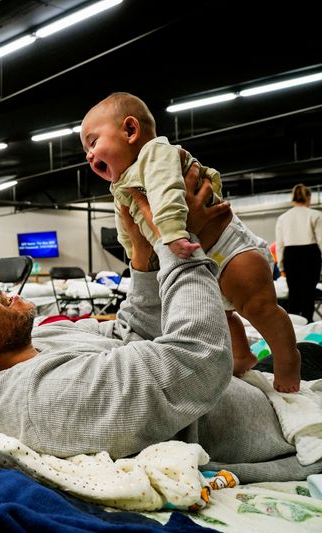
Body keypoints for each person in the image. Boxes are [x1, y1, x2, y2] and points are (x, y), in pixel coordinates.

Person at [0, 173, 322, 483]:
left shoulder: (42, 337)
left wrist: (143, 252)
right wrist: (180, 239)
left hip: (273, 390)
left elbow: (135, 337)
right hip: (283, 426)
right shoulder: (38, 400)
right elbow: (196, 361)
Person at [80, 92, 300, 392]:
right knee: (216, 317)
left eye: (93, 142)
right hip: (199, 260)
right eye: (86, 150)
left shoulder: (155, 154)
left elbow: (169, 193)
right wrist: (135, 254)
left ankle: (288, 360)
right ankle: (242, 356)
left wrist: (171, 233)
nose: (89, 155)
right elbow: (127, 229)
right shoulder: (122, 186)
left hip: (230, 249)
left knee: (259, 307)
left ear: (130, 131)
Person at [275, 184, 322, 323]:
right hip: (310, 254)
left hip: (291, 255)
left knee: (293, 295)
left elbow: (280, 245)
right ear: (309, 198)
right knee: (308, 294)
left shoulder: (283, 218)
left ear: (293, 198)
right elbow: (321, 241)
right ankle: (307, 322)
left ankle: (293, 326)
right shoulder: (316, 215)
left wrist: (282, 266)